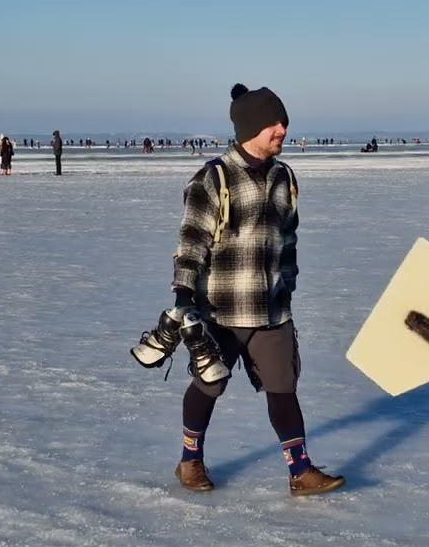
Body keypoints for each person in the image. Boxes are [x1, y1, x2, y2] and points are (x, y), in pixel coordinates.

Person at [131, 83, 344, 497]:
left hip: (272, 310)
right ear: (251, 127)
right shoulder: (213, 178)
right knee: (209, 386)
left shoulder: (285, 177)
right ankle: (189, 461)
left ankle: (300, 471)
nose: (282, 129)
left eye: (284, 122)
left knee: (284, 389)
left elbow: (290, 238)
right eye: (274, 123)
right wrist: (183, 296)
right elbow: (191, 241)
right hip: (220, 310)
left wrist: (289, 285)